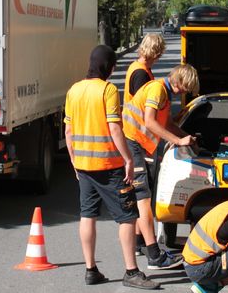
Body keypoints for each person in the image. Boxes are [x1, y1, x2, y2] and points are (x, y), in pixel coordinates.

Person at [64, 45, 160, 289]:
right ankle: (131, 271)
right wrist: (128, 159)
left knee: (87, 215)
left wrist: (74, 160)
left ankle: (91, 270)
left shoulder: (74, 90)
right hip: (109, 166)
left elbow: (68, 130)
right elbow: (115, 128)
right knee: (127, 217)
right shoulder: (107, 90)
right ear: (107, 66)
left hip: (84, 166)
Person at [122, 64, 200, 270]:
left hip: (140, 145)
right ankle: (154, 255)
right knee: (143, 199)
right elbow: (150, 122)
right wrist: (178, 140)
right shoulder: (157, 89)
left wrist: (185, 136)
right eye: (185, 87)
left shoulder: (165, 92)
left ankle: (141, 243)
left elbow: (165, 124)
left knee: (142, 198)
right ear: (179, 80)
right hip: (133, 143)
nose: (185, 91)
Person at [124, 32, 166, 255]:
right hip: (138, 138)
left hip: (136, 137)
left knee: (140, 192)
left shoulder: (136, 68)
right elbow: (144, 111)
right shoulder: (141, 74)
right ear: (156, 52)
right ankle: (147, 245)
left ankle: (140, 241)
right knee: (142, 193)